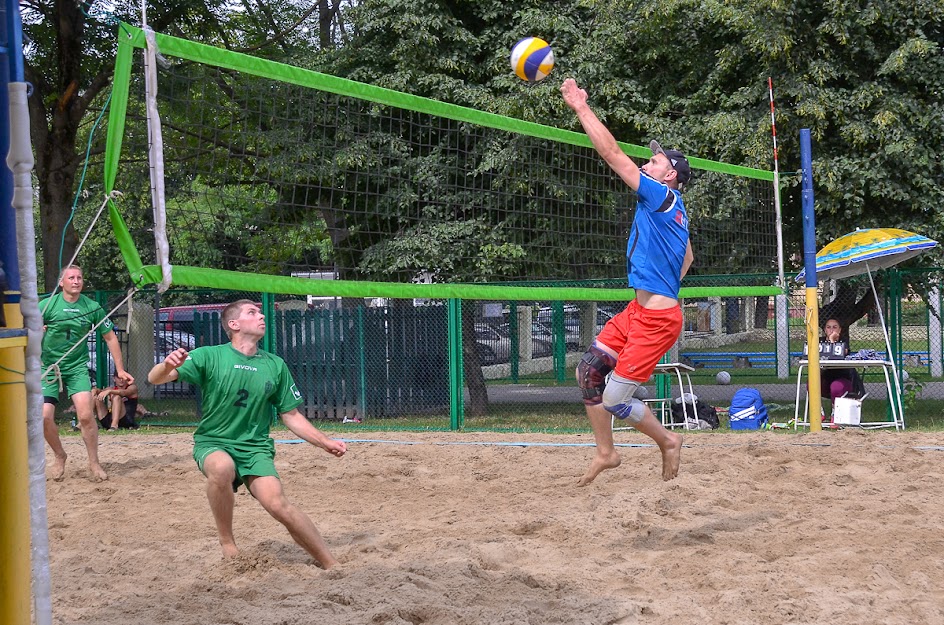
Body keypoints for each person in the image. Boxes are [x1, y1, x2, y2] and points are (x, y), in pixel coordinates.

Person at [561, 78, 694, 485]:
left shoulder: (661, 196)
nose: (647, 163)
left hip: (655, 321)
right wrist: (662, 286)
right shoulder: (672, 210)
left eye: (655, 162)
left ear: (669, 175)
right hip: (640, 311)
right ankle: (607, 453)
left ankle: (668, 440)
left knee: (615, 398)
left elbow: (611, 153)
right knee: (588, 372)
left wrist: (581, 106)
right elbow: (688, 257)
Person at [147, 299, 346, 567]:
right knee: (222, 468)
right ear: (234, 324)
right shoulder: (209, 355)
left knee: (278, 505)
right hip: (214, 441)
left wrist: (325, 442)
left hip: (255, 448)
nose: (261, 316)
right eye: (252, 312)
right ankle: (227, 542)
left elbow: (291, 416)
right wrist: (167, 365)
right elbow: (154, 379)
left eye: (260, 312)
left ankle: (330, 563)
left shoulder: (275, 365)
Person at [40, 265, 134, 481]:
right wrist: (37, 331)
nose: (76, 281)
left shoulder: (92, 307)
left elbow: (110, 337)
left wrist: (120, 369)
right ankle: (59, 456)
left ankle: (94, 463)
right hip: (48, 368)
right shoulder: (46, 306)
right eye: (71, 277)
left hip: (76, 368)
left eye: (79, 277)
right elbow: (27, 330)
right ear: (61, 282)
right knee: (44, 417)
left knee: (85, 415)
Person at [816, 318, 864, 422]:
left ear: (840, 330)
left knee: (836, 386)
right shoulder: (819, 342)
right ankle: (818, 413)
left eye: (834, 327)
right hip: (825, 378)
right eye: (828, 327)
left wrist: (832, 341)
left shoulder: (843, 342)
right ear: (824, 330)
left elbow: (838, 354)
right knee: (812, 382)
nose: (831, 330)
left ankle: (835, 414)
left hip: (842, 378)